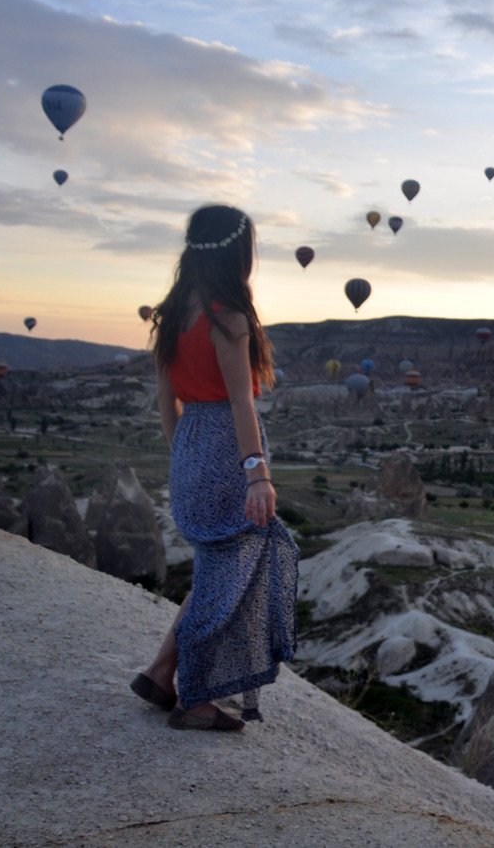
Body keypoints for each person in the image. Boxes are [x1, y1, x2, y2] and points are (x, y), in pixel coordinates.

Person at [130, 204, 297, 731]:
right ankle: (196, 699)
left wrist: (184, 454)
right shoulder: (228, 317)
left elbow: (165, 402)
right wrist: (257, 473)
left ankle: (161, 672)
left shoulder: (173, 314)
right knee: (227, 578)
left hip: (191, 446)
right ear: (236, 253)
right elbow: (240, 404)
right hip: (228, 449)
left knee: (213, 571)